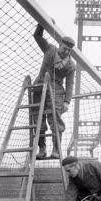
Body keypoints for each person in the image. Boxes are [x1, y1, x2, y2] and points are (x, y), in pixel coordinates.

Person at [32, 23, 75, 159]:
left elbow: (69, 84)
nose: (66, 52)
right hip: (39, 87)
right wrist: (42, 23)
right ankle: (42, 149)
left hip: (56, 91)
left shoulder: (70, 65)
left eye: (69, 50)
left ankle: (56, 149)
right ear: (60, 45)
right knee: (37, 119)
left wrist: (67, 101)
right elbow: (37, 36)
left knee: (55, 119)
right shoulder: (50, 50)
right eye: (64, 48)